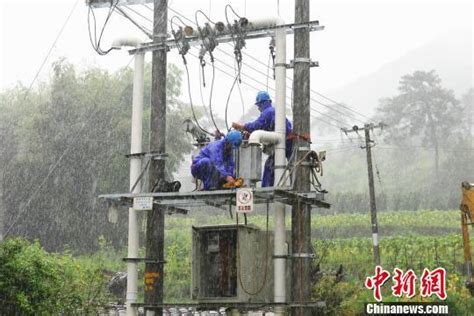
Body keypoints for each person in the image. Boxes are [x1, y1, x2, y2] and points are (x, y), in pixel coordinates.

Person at [232, 91, 293, 187]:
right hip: (287, 141)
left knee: (270, 167)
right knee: (291, 166)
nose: (258, 108)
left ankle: (267, 189)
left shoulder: (268, 112)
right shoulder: (273, 112)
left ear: (262, 103)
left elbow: (257, 125)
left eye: (259, 105)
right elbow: (264, 128)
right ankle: (293, 185)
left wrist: (242, 127)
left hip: (286, 142)